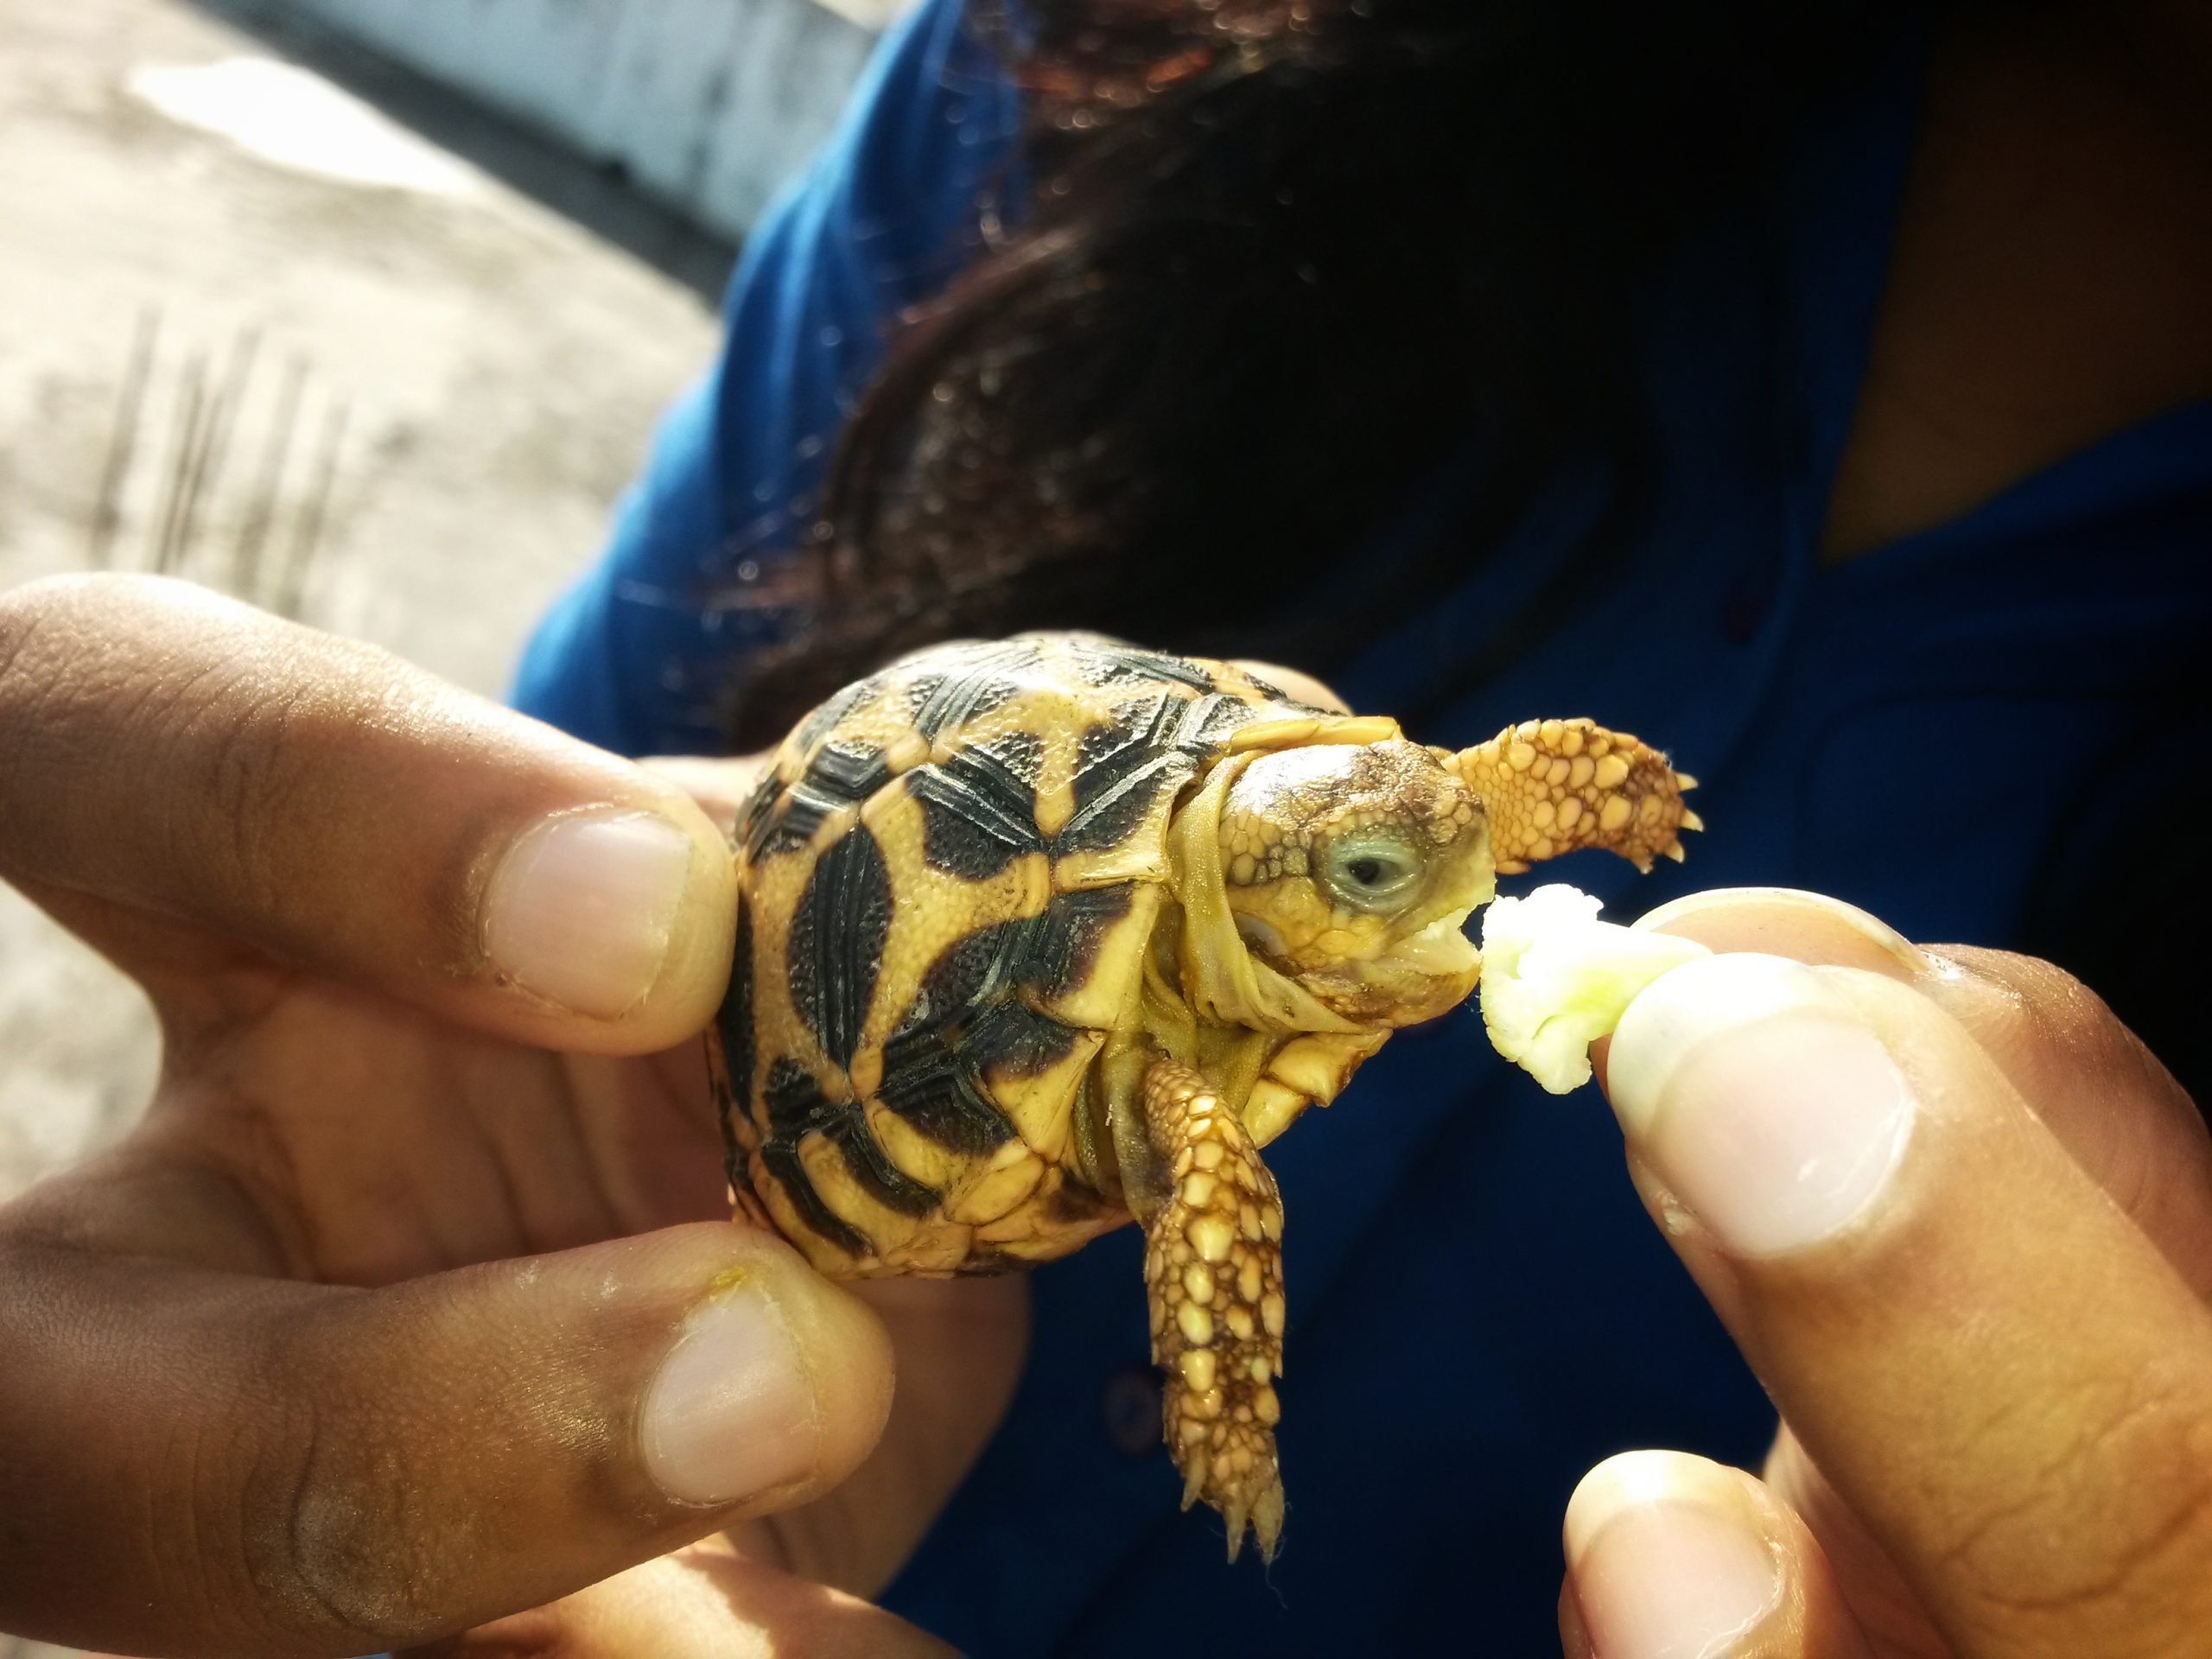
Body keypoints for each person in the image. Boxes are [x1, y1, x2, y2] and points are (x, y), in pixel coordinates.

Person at [0, 0, 2207, 1651]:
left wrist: (1516, 808)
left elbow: (1443, 805)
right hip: (819, 1179)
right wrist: (388, 1312)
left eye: (1417, 859)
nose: (1438, 875)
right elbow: (543, 922)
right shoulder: (1112, 66)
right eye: (1362, 869)